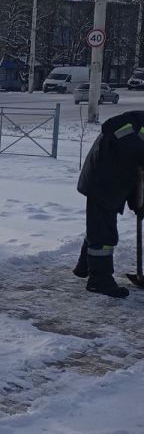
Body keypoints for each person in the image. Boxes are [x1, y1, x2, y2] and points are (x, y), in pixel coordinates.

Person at [73, 110, 144, 299]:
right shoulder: (137, 120)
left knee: (98, 226)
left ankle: (84, 266)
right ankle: (99, 281)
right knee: (104, 235)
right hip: (102, 179)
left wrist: (138, 203)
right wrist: (139, 150)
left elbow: (138, 173)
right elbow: (110, 125)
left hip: (116, 181)